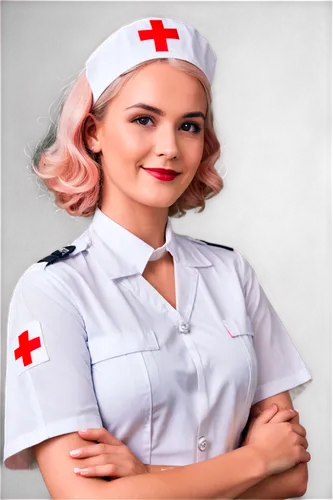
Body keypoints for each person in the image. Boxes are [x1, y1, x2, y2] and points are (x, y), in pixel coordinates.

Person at [3, 15, 313, 499]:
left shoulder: (233, 273)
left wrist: (145, 477)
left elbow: (293, 473)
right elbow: (84, 497)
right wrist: (255, 461)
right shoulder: (52, 291)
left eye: (189, 125)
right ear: (92, 134)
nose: (169, 148)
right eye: (144, 119)